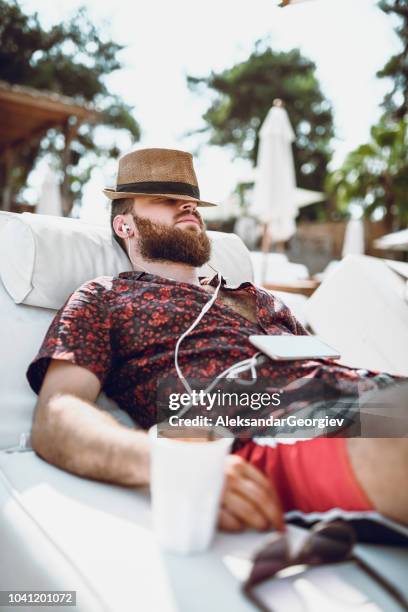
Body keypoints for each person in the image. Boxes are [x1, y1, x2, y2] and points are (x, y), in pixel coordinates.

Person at [27, 148, 408, 532]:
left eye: (192, 202)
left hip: (364, 394)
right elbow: (56, 415)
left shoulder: (259, 298)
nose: (189, 208)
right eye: (167, 200)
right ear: (124, 225)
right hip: (275, 431)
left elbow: (327, 367)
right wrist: (172, 463)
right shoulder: (106, 297)